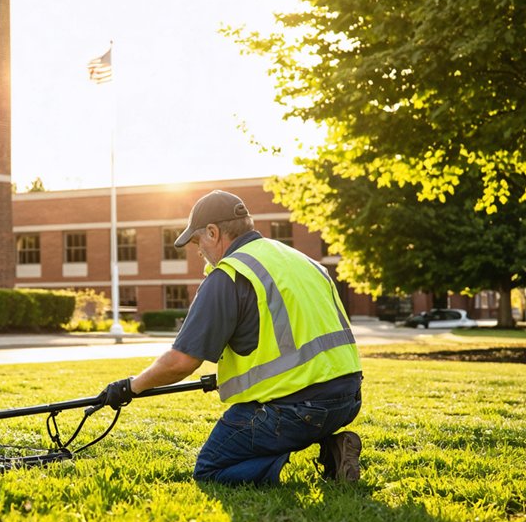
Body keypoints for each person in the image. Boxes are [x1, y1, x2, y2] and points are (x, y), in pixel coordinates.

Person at [99, 190, 363, 485]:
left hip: (298, 411)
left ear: (213, 232)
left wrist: (130, 387)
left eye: (198, 241)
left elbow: (181, 362)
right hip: (348, 401)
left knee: (211, 470)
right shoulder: (302, 261)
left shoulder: (230, 274)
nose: (198, 251)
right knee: (284, 421)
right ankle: (333, 448)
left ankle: (286, 462)